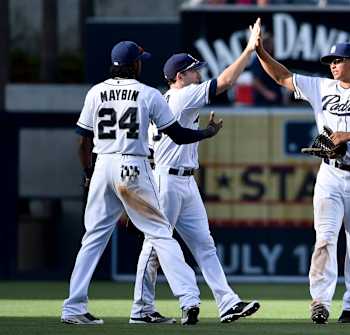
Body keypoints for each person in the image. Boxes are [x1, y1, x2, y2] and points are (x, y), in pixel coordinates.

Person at [61, 40, 223, 325]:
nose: (141, 63)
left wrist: (88, 174)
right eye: (139, 60)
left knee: (93, 238)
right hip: (132, 166)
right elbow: (179, 135)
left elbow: (82, 140)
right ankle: (188, 299)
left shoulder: (96, 92)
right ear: (134, 64)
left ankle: (73, 307)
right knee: (161, 234)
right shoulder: (148, 94)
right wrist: (207, 133)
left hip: (102, 164)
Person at [255, 22, 350, 324]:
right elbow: (283, 76)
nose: (332, 65)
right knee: (325, 238)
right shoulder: (322, 87)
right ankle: (320, 301)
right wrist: (261, 52)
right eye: (330, 62)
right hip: (330, 173)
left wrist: (348, 136)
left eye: (338, 60)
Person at [129, 20, 262, 325]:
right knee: (153, 247)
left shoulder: (165, 100)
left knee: (204, 244)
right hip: (167, 180)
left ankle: (227, 303)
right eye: (193, 70)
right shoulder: (181, 96)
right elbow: (226, 82)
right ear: (180, 76)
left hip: (183, 180)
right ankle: (141, 309)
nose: (198, 73)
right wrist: (248, 49)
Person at [250, 33, 284, 106]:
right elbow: (255, 81)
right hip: (262, 101)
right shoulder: (257, 60)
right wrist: (267, 93)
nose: (270, 46)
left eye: (271, 43)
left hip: (276, 99)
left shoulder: (273, 58)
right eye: (267, 43)